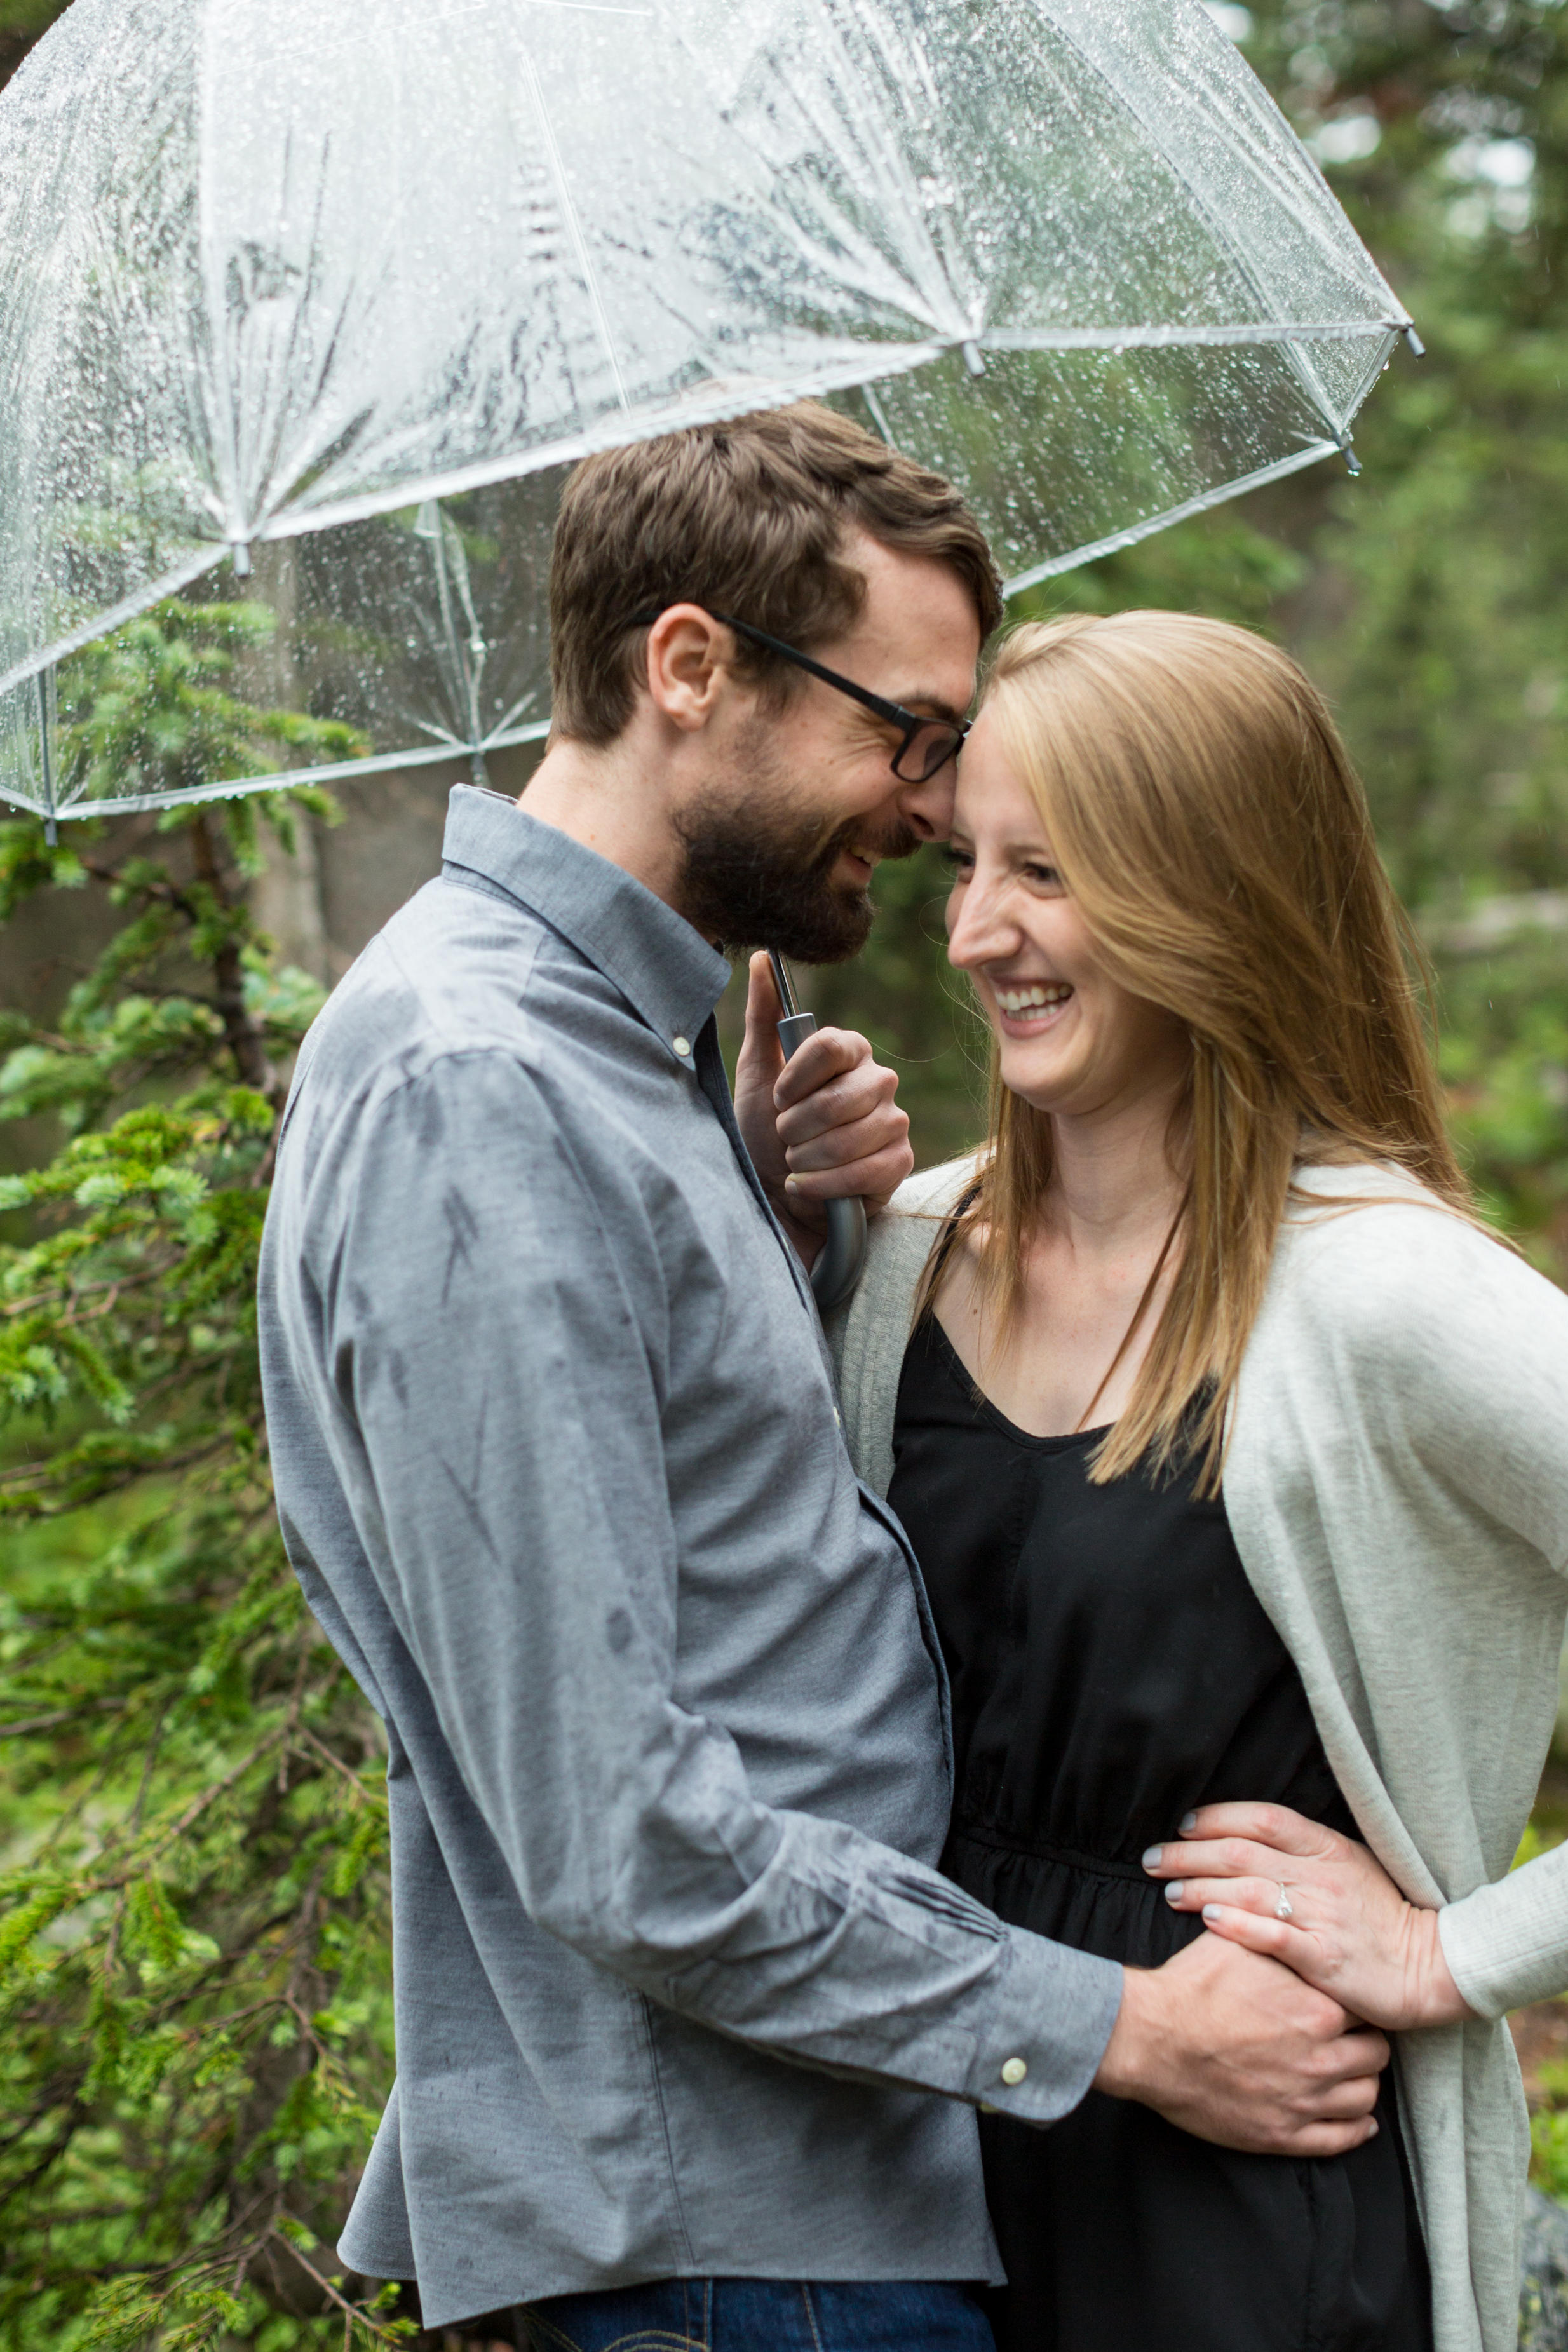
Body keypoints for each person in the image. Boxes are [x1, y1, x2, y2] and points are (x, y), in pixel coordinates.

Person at [258, 415, 1391, 2352]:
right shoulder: (480, 1089)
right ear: (688, 669)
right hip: (728, 2239)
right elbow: (621, 1831)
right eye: (907, 726)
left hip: (819, 2202)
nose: (935, 807)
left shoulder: (627, 1066)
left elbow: (727, 1581)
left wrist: (772, 1242)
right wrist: (1122, 2026)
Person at [824, 609, 1568, 2352]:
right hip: (927, 2131)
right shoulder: (899, 1260)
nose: (976, 934)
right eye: (964, 867)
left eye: (1050, 874)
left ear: (1210, 894)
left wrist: (1452, 1959)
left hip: (1245, 2180)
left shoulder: (1379, 1291)